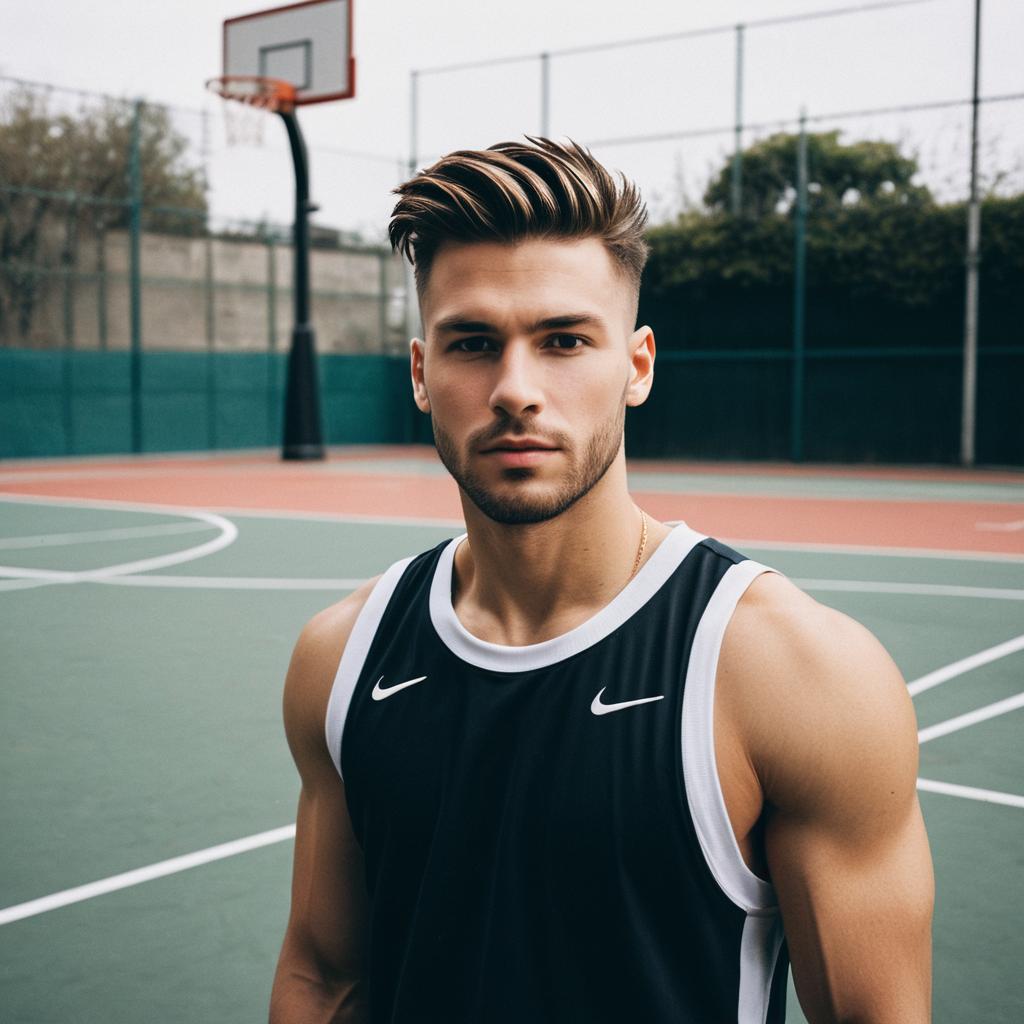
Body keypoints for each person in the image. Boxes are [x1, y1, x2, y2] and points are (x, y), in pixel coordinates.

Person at [269, 138, 933, 1024]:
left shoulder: (794, 670)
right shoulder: (341, 657)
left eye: (563, 341)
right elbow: (325, 977)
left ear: (637, 365)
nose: (515, 389)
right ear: (423, 374)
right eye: (473, 343)